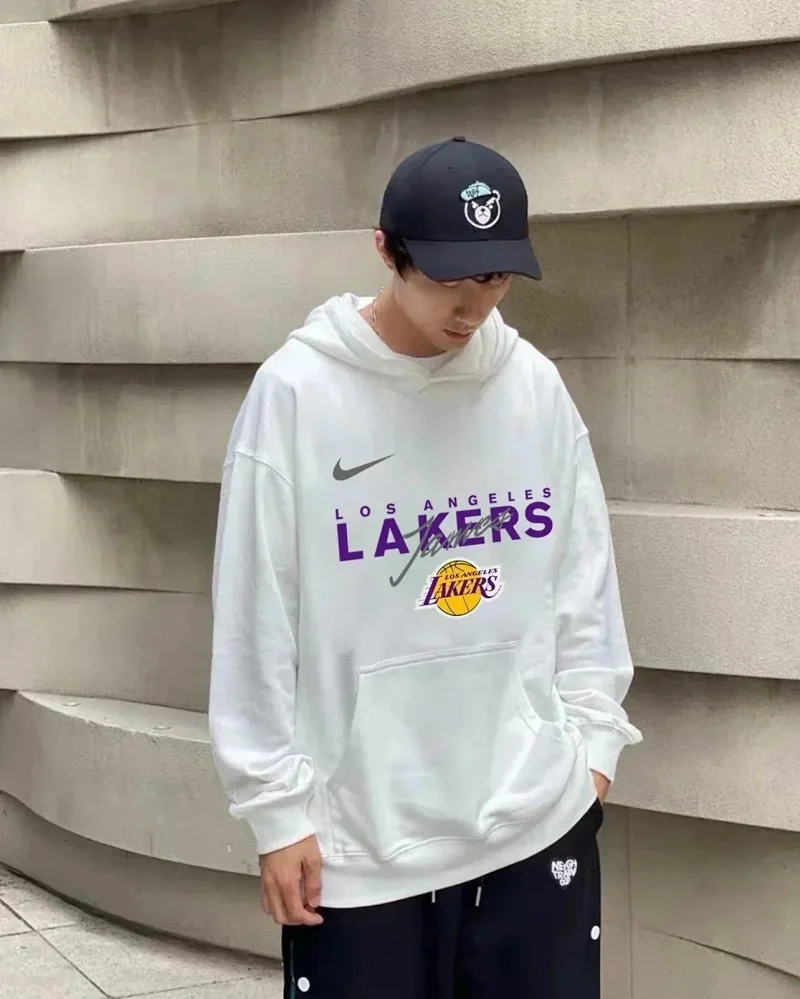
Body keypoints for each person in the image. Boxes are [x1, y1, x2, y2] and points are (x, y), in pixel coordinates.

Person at [208, 136, 643, 999]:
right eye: (447, 276)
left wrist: (593, 743)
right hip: (362, 847)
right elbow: (256, 612)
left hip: (535, 823)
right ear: (386, 250)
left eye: (495, 277)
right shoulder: (297, 394)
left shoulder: (533, 386)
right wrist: (275, 812)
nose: (472, 304)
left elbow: (583, 575)